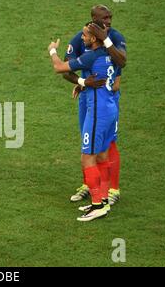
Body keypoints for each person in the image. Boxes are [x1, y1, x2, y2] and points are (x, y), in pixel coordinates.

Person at [48, 21, 119, 221]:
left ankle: (97, 204)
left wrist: (53, 50)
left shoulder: (91, 56)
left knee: (87, 157)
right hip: (111, 107)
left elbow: (59, 68)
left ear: (94, 38)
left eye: (86, 35)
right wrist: (83, 83)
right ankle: (103, 200)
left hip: (97, 111)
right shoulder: (111, 55)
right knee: (103, 156)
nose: (82, 37)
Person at [63, 5, 126, 205]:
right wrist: (82, 83)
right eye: (104, 17)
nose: (108, 21)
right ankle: (91, 186)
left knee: (108, 144)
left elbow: (121, 61)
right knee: (87, 142)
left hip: (107, 100)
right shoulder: (82, 37)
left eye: (110, 17)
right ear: (93, 18)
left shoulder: (114, 37)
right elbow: (66, 68)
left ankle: (111, 189)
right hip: (88, 97)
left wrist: (106, 41)